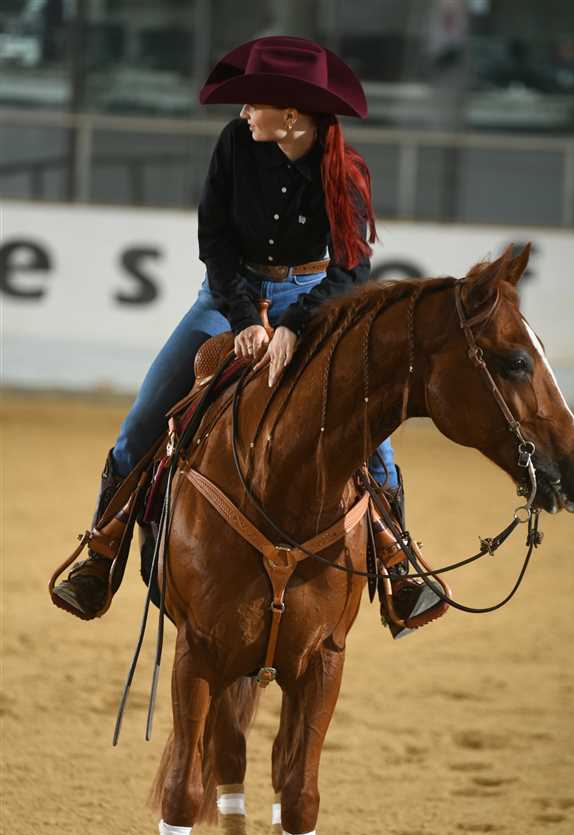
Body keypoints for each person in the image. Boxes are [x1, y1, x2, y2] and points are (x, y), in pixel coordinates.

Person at [50, 35, 448, 637]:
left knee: (372, 435)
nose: (242, 112)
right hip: (228, 297)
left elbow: (351, 269)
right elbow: (215, 243)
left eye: (253, 102)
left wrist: (292, 324)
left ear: (291, 115)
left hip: (315, 303)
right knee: (146, 415)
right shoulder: (235, 143)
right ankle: (100, 557)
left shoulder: (345, 172)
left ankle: (399, 568)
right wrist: (246, 321)